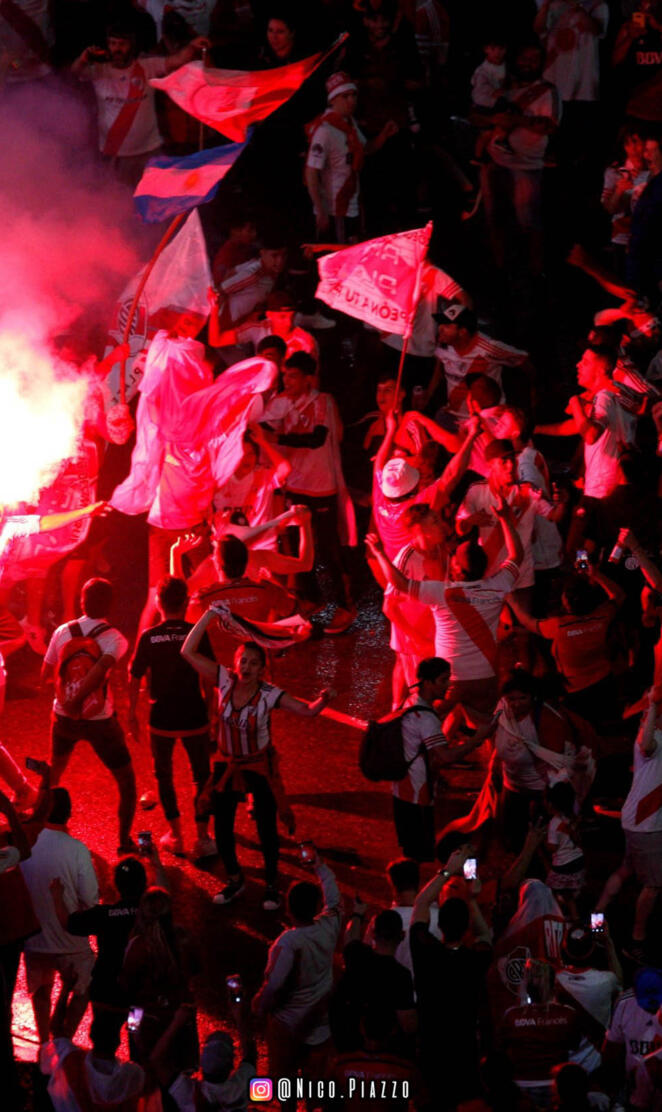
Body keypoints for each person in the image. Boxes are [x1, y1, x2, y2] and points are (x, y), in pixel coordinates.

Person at [181, 629, 334, 910]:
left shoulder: (269, 694)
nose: (246, 667)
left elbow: (308, 710)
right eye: (243, 661)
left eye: (253, 663)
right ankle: (235, 880)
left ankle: (272, 885)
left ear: (262, 669)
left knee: (266, 829)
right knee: (222, 828)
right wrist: (210, 617)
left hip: (258, 766)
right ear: (235, 662)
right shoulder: (225, 680)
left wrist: (323, 700)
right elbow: (187, 651)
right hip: (229, 764)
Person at [365, 495, 524, 715]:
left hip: (432, 634)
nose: (442, 525)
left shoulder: (443, 553)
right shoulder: (406, 558)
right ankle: (400, 723)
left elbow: (425, 587)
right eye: (435, 522)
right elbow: (389, 607)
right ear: (420, 531)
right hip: (412, 638)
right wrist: (416, 639)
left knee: (435, 697)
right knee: (419, 696)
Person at [261, 351, 357, 632]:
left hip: (321, 486)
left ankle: (340, 605)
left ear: (308, 379)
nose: (287, 381)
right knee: (297, 548)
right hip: (294, 485)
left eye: (293, 376)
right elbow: (262, 424)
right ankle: (311, 601)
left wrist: (276, 436)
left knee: (326, 548)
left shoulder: (322, 401)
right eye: (285, 376)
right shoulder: (281, 402)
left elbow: (317, 439)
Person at [41, 578, 136, 856]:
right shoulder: (116, 639)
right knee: (127, 782)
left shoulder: (62, 632)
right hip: (100, 721)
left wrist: (68, 697)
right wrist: (80, 698)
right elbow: (100, 672)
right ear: (110, 605)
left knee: (53, 773)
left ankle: (41, 829)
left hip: (64, 716)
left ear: (81, 601)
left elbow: (45, 675)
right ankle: (124, 841)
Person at [128, 575, 216, 860]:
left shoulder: (149, 637)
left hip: (162, 717)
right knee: (201, 774)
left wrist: (132, 713)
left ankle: (176, 835)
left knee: (163, 775)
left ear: (158, 603)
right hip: (194, 714)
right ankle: (203, 837)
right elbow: (209, 674)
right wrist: (211, 709)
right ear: (186, 602)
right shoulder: (196, 633)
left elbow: (134, 676)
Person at [252, 848, 342, 1111]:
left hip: (287, 1025)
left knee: (286, 1080)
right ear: (316, 907)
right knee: (316, 1081)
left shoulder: (288, 943)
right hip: (321, 1023)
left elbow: (274, 985)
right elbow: (334, 900)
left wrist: (259, 1006)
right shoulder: (328, 926)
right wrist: (320, 867)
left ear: (289, 908)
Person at [71, 23, 208, 186]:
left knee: (153, 194)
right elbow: (74, 72)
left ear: (132, 45)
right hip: (114, 152)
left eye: (122, 44)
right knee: (117, 196)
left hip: (149, 150)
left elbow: (176, 60)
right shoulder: (99, 71)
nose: (117, 49)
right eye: (113, 44)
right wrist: (83, 59)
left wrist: (192, 46)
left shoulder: (148, 67)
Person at [409, 846, 493, 1109]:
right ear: (466, 926)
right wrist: (472, 899)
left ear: (439, 924)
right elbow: (485, 937)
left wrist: (447, 870)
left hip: (431, 1049)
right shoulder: (473, 960)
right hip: (463, 1052)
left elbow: (421, 904)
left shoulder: (427, 953)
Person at [389, 656, 495, 862]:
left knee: (410, 845)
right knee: (419, 850)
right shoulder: (426, 718)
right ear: (428, 683)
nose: (449, 686)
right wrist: (477, 739)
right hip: (417, 791)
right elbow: (446, 756)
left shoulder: (410, 700)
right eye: (444, 680)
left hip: (402, 787)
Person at [20, 788, 99, 1051]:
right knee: (83, 986)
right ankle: (65, 1041)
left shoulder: (27, 845)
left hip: (35, 939)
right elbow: (90, 900)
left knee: (41, 991)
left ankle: (44, 1046)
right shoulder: (77, 850)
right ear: (69, 814)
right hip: (71, 942)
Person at [510, 563, 626, 727]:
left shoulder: (558, 626)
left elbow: (527, 622)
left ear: (567, 602)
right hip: (604, 682)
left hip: (575, 691)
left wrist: (511, 600)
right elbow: (619, 595)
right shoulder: (603, 615)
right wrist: (596, 574)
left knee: (581, 731)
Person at [597, 685, 662, 962]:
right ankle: (636, 940)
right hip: (646, 824)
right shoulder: (652, 736)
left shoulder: (652, 732)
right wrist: (653, 704)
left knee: (627, 868)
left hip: (638, 820)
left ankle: (596, 916)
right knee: (654, 884)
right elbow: (647, 746)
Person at [456, 437, 564, 603]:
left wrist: (563, 501)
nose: (511, 465)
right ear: (490, 464)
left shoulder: (527, 491)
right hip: (491, 575)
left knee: (524, 617)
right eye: (504, 461)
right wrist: (470, 521)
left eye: (513, 459)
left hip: (521, 575)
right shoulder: (476, 491)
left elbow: (554, 516)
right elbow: (460, 528)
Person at [498, 958, 582, 1108]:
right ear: (553, 984)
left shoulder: (511, 1015)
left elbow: (501, 1048)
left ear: (526, 985)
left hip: (523, 1086)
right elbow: (574, 1045)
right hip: (557, 1087)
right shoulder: (568, 1014)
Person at [431, 302, 531, 426]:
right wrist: (428, 394)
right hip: (453, 417)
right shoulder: (442, 345)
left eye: (446, 325)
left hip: (486, 420)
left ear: (463, 332)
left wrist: (532, 392)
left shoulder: (489, 348)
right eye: (441, 323)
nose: (440, 328)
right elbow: (439, 368)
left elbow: (523, 360)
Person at [556, 922, 622, 1077]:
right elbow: (620, 982)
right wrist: (608, 943)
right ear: (592, 948)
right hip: (595, 1069)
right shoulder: (607, 980)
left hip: (563, 1069)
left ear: (565, 949)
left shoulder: (555, 981)